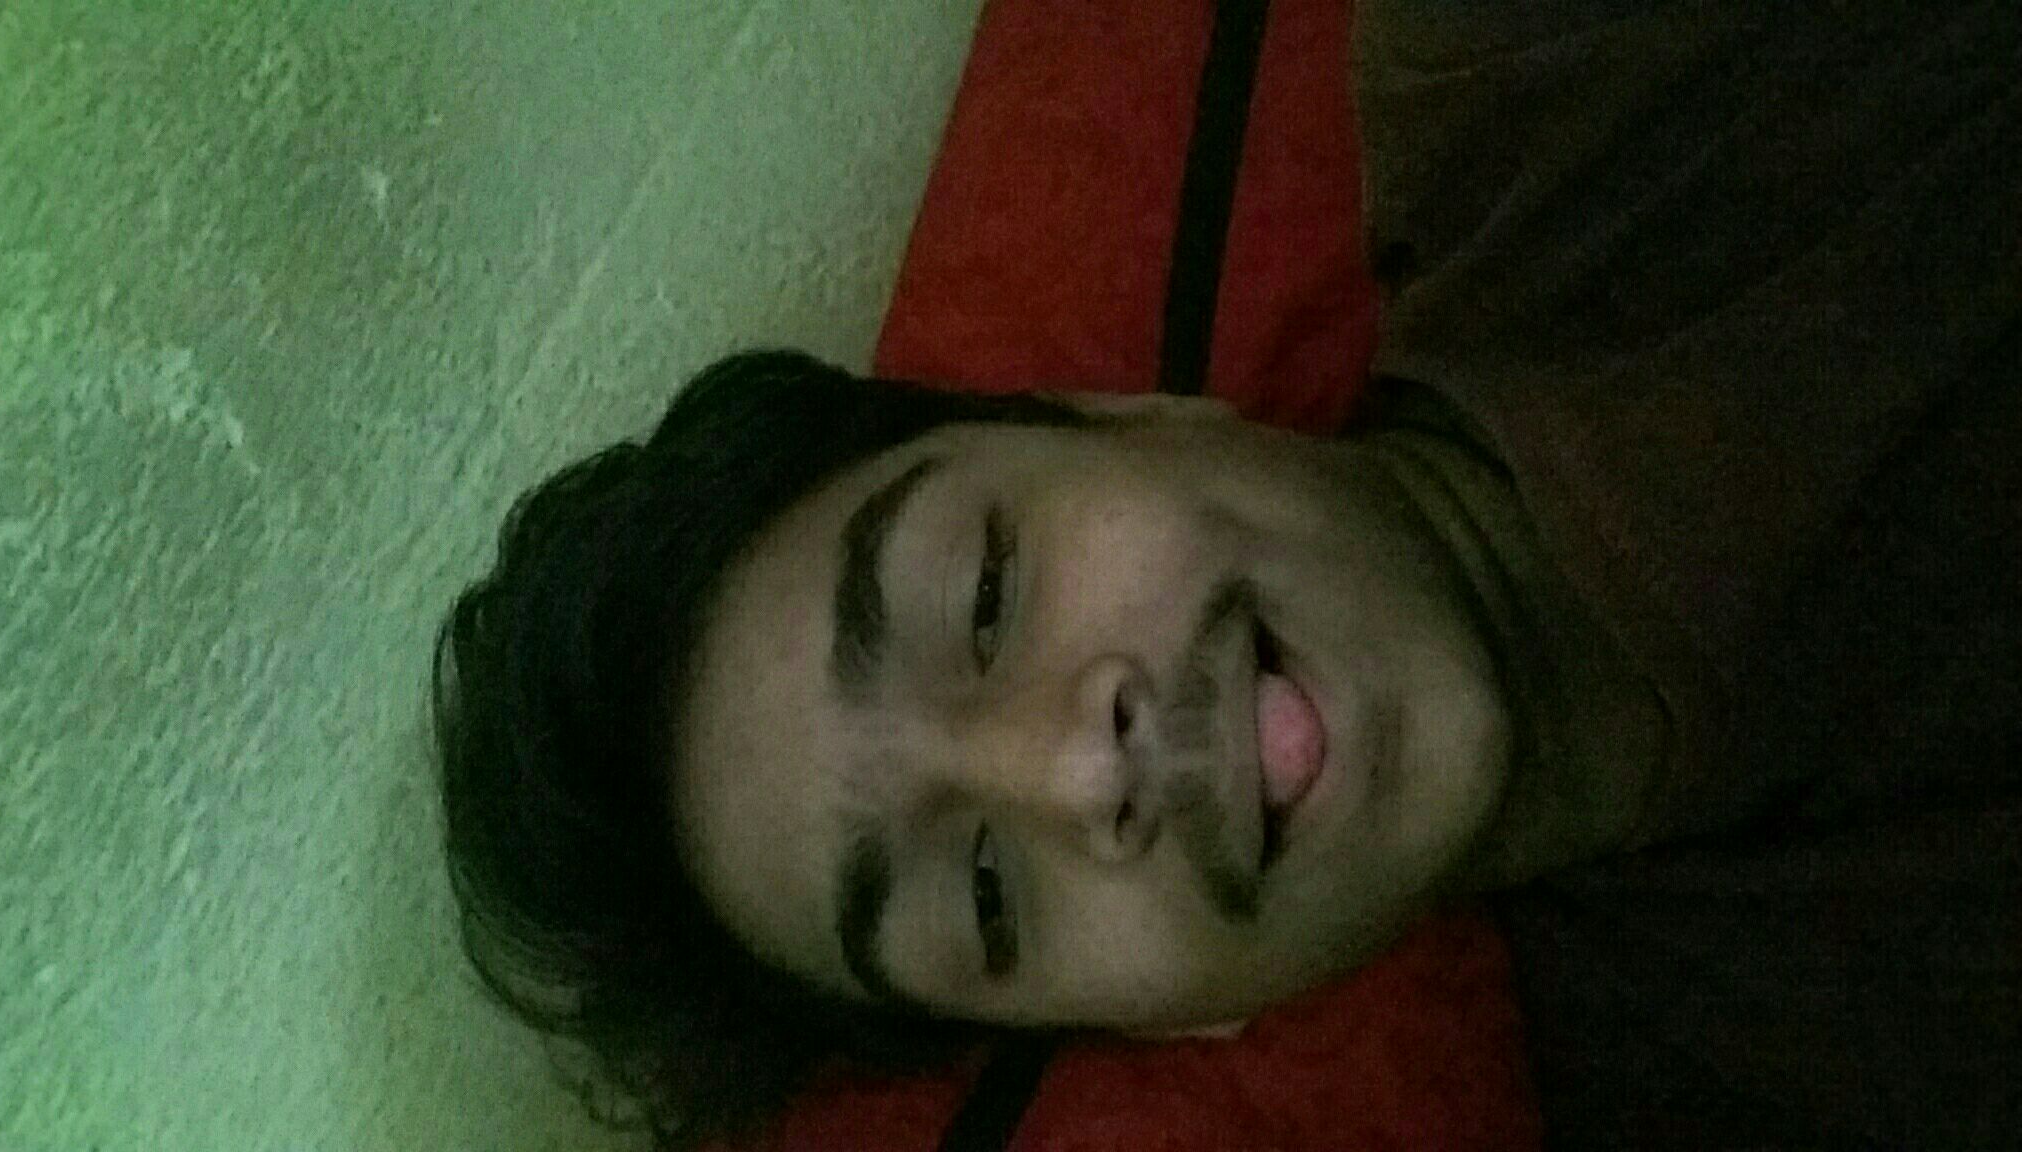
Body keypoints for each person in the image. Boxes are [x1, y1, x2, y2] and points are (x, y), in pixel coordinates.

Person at [433, 1, 2020, 1147]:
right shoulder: (1768, 1095)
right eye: (985, 896)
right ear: (1162, 1021)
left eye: (985, 597)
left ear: (1134, 411)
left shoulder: (1557, 67)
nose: (1080, 771)